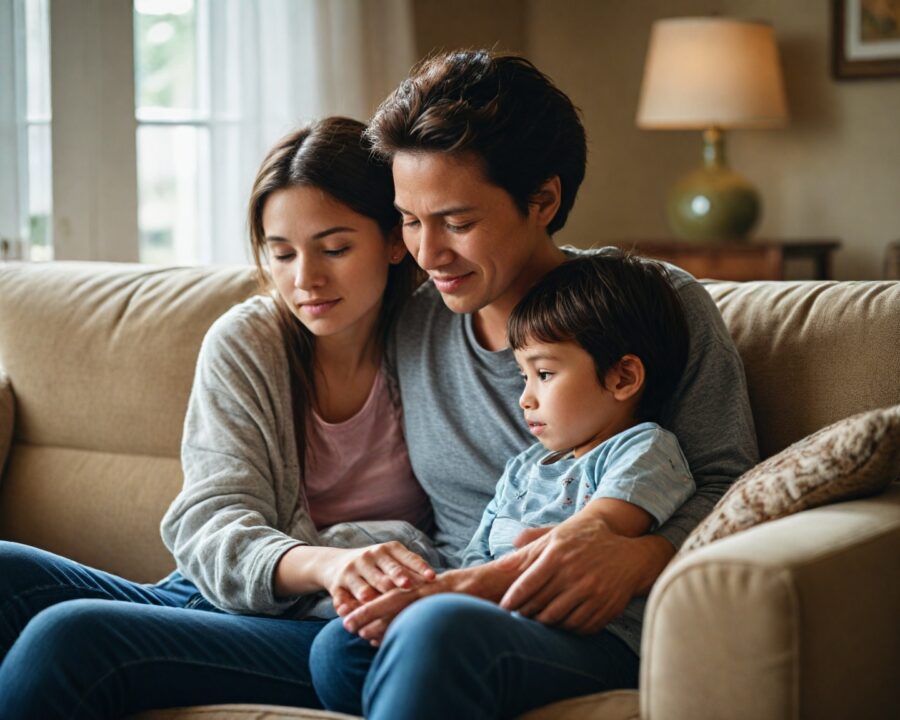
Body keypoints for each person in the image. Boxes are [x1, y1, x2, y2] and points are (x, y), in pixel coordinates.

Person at [308, 50, 759, 719]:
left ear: (542, 200)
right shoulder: (410, 317)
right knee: (334, 649)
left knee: (433, 631)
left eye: (458, 222)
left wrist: (644, 555)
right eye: (410, 220)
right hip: (462, 606)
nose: (428, 255)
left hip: (592, 621)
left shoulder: (649, 304)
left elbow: (732, 483)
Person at [0, 117, 439, 718]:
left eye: (335, 249)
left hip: (332, 624)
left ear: (394, 240)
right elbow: (212, 523)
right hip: (220, 591)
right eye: (281, 253)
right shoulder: (249, 341)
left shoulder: (438, 342)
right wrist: (328, 561)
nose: (305, 279)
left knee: (70, 639)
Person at [331, 251, 697, 663]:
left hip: (593, 636)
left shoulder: (645, 450)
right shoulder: (523, 469)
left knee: (431, 627)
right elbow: (475, 559)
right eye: (524, 376)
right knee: (340, 645)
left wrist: (448, 596)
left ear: (622, 377)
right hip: (499, 620)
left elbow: (588, 536)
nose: (525, 398)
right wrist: (432, 591)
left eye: (544, 374)